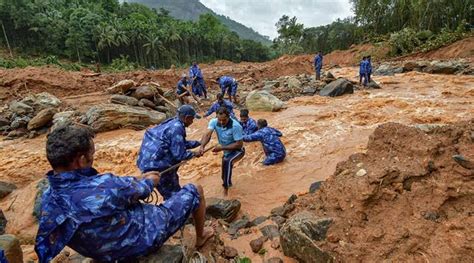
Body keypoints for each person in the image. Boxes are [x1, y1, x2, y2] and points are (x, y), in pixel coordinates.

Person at [35, 125, 213, 263]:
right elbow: (143, 188)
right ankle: (201, 237)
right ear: (81, 160)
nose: (93, 157)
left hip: (96, 250)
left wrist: (140, 180)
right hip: (137, 241)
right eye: (92, 154)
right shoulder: (106, 185)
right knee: (195, 189)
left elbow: (116, 190)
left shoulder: (48, 197)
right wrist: (150, 180)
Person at [137, 105, 202, 200]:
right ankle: (177, 212)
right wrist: (195, 154)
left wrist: (198, 143)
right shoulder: (178, 128)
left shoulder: (172, 122)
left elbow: (178, 143)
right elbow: (179, 155)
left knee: (171, 190)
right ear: (186, 118)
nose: (192, 122)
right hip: (157, 166)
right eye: (192, 119)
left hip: (145, 161)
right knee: (173, 195)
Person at [200, 107, 245, 195]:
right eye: (219, 120)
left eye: (224, 120)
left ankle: (226, 191)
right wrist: (202, 146)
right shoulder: (214, 121)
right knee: (223, 174)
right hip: (226, 151)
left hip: (238, 151)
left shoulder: (235, 126)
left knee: (227, 161)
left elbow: (239, 144)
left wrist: (221, 148)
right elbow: (207, 134)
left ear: (228, 117)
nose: (221, 122)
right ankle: (229, 185)